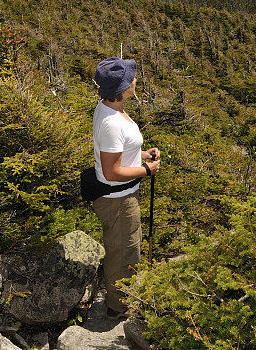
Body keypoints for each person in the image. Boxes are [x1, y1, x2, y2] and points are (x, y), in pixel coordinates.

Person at [92, 56, 160, 319]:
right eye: (131, 78)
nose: (135, 80)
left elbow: (120, 151)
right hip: (118, 200)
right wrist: (147, 170)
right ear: (121, 90)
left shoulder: (109, 108)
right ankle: (117, 308)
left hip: (122, 196)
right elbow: (112, 171)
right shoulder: (112, 122)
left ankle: (121, 299)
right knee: (124, 253)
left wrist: (142, 155)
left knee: (128, 247)